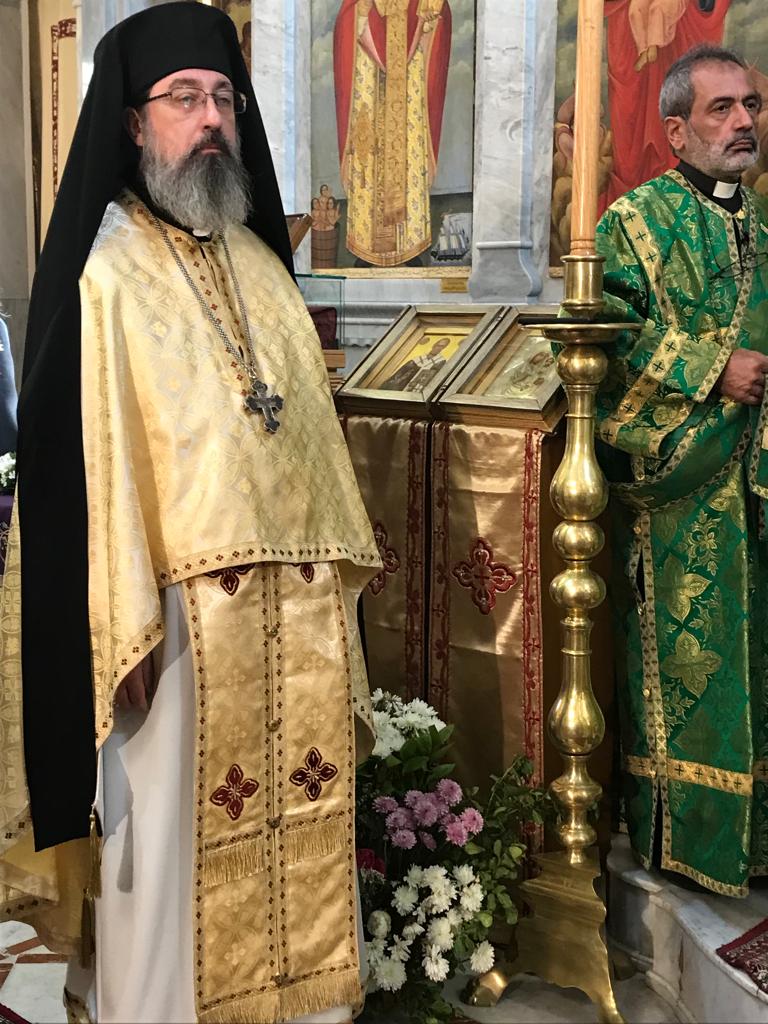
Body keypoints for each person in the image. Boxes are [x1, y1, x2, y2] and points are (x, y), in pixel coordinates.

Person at [0, 5, 380, 1022]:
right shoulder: (106, 273)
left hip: (293, 618)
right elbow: (89, 464)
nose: (211, 118)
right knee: (168, 858)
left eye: (223, 98)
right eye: (184, 98)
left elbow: (308, 448)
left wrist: (335, 601)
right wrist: (109, 625)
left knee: (300, 835)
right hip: (170, 630)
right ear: (134, 123)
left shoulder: (264, 269)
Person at [596, 43, 768, 897]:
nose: (743, 122)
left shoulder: (764, 224)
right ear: (675, 130)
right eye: (721, 108)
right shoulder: (633, 223)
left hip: (759, 480)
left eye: (751, 105)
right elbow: (604, 334)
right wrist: (711, 367)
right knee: (699, 667)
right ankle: (692, 845)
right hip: (682, 487)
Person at [333, 0, 452, 267]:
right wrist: (360, 16)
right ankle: (367, 245)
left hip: (409, 86)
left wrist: (431, 15)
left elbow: (437, 18)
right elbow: (347, 21)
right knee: (368, 157)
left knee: (409, 154)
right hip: (368, 81)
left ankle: (408, 244)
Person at [379, 335, 454, 392]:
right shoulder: (417, 359)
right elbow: (400, 373)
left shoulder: (440, 362)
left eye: (442, 347)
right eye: (438, 345)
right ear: (434, 345)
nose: (439, 348)